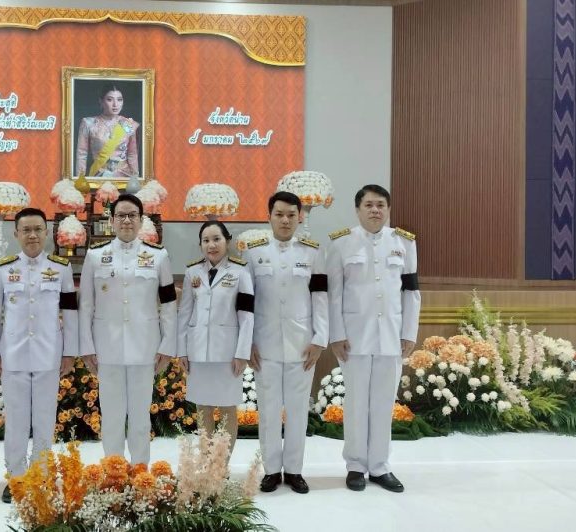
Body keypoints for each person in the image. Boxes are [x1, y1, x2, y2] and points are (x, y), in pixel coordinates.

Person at [327, 184, 420, 494]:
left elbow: (411, 291)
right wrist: (336, 334)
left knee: (383, 403)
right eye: (368, 205)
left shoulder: (404, 242)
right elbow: (334, 293)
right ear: (358, 210)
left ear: (388, 209)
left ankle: (380, 466)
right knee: (356, 403)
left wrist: (409, 332)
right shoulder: (341, 243)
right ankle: (355, 465)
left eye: (380, 204)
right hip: (354, 338)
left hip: (391, 336)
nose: (375, 210)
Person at [0, 208, 78, 503]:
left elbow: (70, 313)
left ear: (47, 232)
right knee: (15, 420)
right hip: (13, 355)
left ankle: (41, 476)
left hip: (48, 354)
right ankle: (16, 477)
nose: (32, 235)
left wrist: (70, 352)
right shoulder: (2, 268)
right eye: (26, 230)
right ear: (16, 234)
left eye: (38, 229)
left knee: (44, 419)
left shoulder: (61, 268)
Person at [79, 193, 176, 465]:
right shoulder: (95, 256)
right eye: (120, 215)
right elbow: (86, 305)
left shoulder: (158, 256)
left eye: (132, 215)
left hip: (145, 348)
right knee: (111, 417)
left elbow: (168, 304)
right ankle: (114, 472)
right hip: (106, 348)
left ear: (141, 220)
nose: (126, 220)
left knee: (140, 418)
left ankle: (140, 470)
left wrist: (167, 345)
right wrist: (86, 346)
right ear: (111, 220)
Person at [241, 191, 328, 495]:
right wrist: (247, 342)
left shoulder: (312, 252)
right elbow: (246, 302)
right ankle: (271, 470)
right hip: (263, 345)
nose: (286, 220)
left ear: (299, 217)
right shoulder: (253, 253)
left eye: (291, 214)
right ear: (269, 216)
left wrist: (319, 338)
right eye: (279, 214)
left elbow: (320, 298)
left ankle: (294, 470)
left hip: (302, 345)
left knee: (297, 410)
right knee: (267, 410)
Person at [177, 220, 253, 451]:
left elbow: (247, 316)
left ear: (227, 241)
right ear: (200, 244)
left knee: (228, 408)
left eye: (216, 239)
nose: (211, 245)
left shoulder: (240, 272)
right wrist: (182, 351)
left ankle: (221, 465)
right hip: (198, 351)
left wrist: (242, 353)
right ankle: (206, 462)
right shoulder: (192, 272)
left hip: (227, 353)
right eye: (206, 240)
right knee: (203, 408)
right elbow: (184, 313)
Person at [75, 82, 140, 178]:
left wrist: (136, 179)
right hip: (99, 175)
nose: (115, 104)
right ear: (101, 101)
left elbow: (132, 154)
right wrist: (80, 179)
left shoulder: (128, 124)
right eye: (110, 99)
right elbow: (82, 154)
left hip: (124, 176)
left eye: (119, 99)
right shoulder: (89, 123)